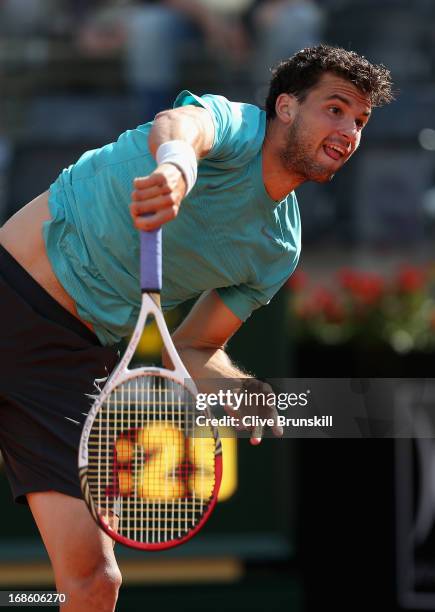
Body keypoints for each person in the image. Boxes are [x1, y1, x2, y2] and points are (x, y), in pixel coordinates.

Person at [0, 45, 392, 610]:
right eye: (335, 108)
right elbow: (180, 125)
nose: (349, 130)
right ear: (285, 106)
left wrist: (238, 388)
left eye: (359, 121)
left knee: (94, 585)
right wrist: (178, 167)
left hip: (68, 359)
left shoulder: (277, 249)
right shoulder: (236, 126)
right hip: (9, 288)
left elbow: (196, 346)